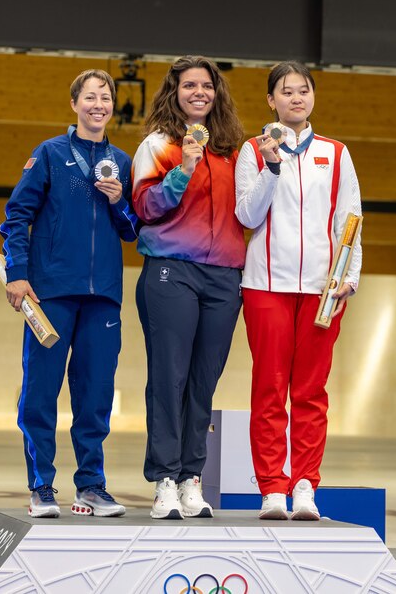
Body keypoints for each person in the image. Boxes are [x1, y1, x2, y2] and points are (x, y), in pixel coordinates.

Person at [0, 69, 139, 518]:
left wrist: (120, 201)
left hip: (103, 298)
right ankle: (41, 486)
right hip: (51, 293)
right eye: (91, 97)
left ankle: (92, 487)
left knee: (96, 394)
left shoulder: (122, 160)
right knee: (41, 390)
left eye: (106, 97)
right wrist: (17, 274)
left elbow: (133, 230)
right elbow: (16, 216)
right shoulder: (49, 154)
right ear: (75, 103)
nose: (99, 104)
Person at [234, 61, 362, 521]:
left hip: (321, 290)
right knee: (269, 388)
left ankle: (305, 485)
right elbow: (247, 216)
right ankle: (271, 488)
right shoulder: (252, 150)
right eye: (285, 92)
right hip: (265, 285)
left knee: (310, 390)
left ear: (312, 98)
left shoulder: (336, 152)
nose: (295, 98)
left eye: (303, 91)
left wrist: (351, 274)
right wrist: (271, 168)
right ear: (271, 100)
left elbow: (350, 220)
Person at [132, 56, 246, 519]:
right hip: (171, 269)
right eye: (189, 85)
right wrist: (183, 169)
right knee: (169, 378)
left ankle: (191, 477)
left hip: (223, 277)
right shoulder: (158, 144)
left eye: (207, 85)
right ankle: (164, 479)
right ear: (174, 91)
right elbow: (144, 206)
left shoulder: (232, 151)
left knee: (203, 383)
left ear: (216, 93)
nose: (199, 92)